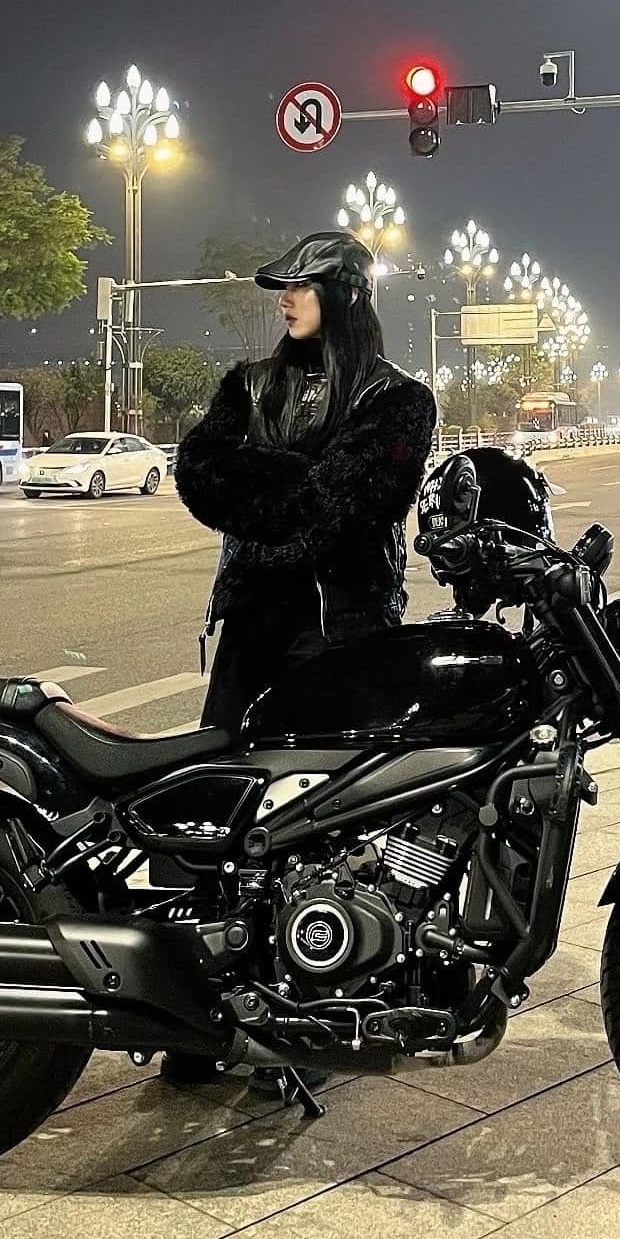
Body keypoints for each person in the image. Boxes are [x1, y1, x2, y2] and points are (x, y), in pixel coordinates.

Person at [163, 231, 437, 1088]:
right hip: (253, 624)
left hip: (346, 627)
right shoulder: (248, 384)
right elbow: (202, 473)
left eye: (302, 286)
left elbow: (360, 496)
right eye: (281, 287)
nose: (285, 299)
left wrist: (273, 485)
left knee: (329, 820)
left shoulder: (400, 400)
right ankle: (194, 1012)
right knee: (215, 803)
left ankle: (314, 1005)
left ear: (345, 294)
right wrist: (301, 487)